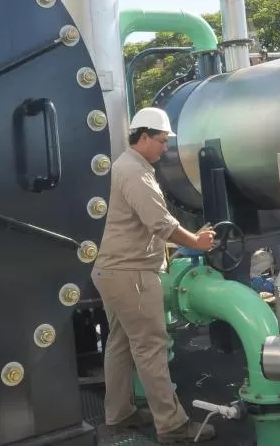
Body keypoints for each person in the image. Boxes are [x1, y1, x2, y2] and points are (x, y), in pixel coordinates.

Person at [91, 107, 218, 443]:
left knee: (119, 345)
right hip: (131, 273)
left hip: (111, 269)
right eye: (162, 141)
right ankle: (173, 426)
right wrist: (197, 242)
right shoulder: (135, 171)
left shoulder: (122, 166)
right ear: (143, 136)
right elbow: (159, 223)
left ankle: (119, 415)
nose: (165, 147)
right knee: (151, 347)